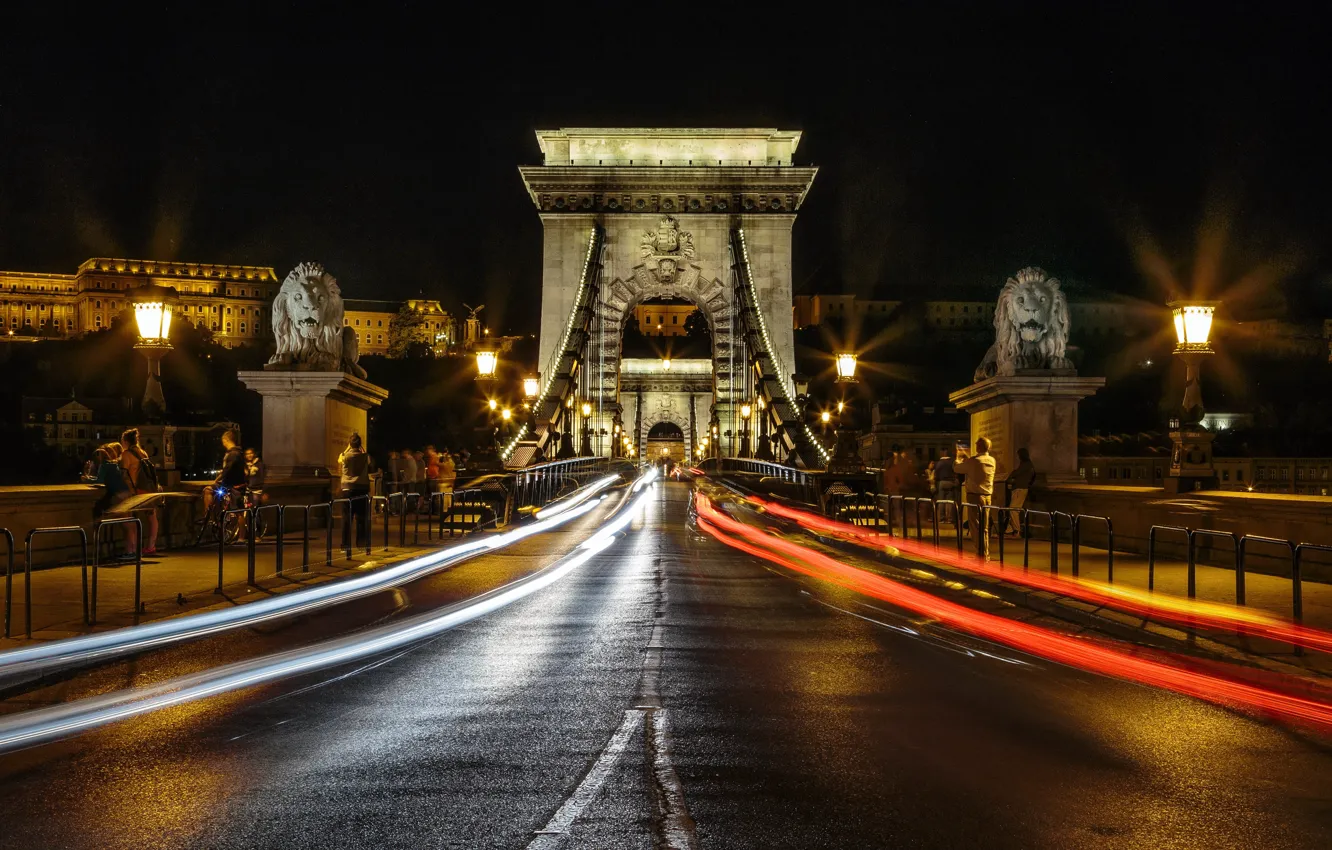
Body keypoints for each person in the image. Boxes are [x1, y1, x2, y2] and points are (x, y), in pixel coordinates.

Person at [118, 429, 161, 555]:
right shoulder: (143, 453)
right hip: (147, 489)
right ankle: (151, 546)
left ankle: (132, 549)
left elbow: (123, 474)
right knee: (152, 517)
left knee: (129, 520)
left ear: (125, 441)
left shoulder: (126, 454)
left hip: (135, 490)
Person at [954, 437, 997, 560]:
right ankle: (985, 553)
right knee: (985, 527)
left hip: (975, 496)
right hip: (987, 496)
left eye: (977, 444)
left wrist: (958, 458)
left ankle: (980, 553)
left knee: (975, 526)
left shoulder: (974, 461)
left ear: (979, 447)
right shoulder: (992, 460)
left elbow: (957, 468)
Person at [339, 433, 371, 550]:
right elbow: (369, 463)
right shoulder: (365, 456)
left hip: (347, 489)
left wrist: (348, 448)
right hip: (362, 488)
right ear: (360, 444)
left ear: (350, 444)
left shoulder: (344, 456)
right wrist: (361, 448)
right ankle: (361, 543)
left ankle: (345, 545)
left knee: (346, 518)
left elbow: (339, 460)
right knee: (361, 517)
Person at [208, 429, 248, 511]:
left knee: (207, 490)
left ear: (226, 439)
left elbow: (227, 469)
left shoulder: (233, 453)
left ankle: (208, 515)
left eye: (223, 441)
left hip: (231, 486)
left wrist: (217, 479)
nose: (223, 443)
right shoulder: (238, 452)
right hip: (234, 485)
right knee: (237, 510)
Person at [1002, 447, 1037, 536]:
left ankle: (1016, 530)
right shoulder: (1026, 464)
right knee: (1013, 509)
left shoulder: (1026, 464)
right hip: (1019, 488)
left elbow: (1016, 473)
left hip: (1020, 489)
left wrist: (1012, 475)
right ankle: (1010, 529)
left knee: (1013, 509)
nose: (1018, 457)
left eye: (1019, 455)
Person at [934, 449, 958, 524]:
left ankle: (942, 518)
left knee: (941, 501)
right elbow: (956, 471)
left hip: (942, 482)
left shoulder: (939, 463)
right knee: (950, 501)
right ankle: (950, 518)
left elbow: (936, 474)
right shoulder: (952, 462)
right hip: (951, 482)